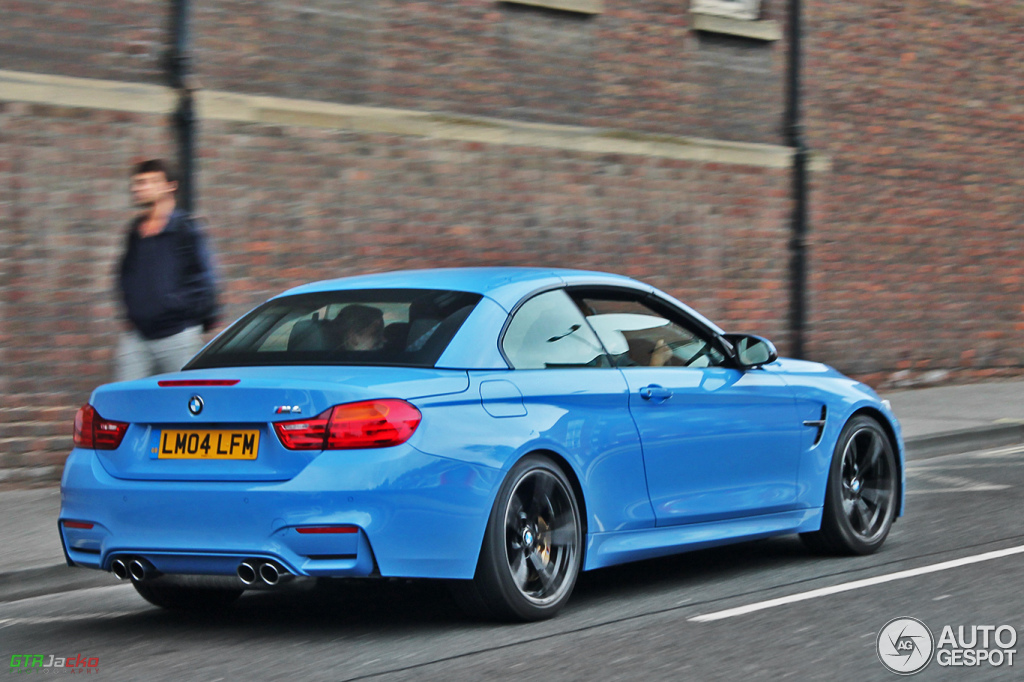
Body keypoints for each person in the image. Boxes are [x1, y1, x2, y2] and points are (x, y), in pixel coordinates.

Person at [115, 159, 220, 381]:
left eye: (150, 182)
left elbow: (205, 278)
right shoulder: (135, 232)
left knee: (182, 398)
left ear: (170, 186)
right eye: (138, 183)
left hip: (178, 336)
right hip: (139, 337)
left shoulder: (185, 229)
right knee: (125, 397)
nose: (141, 188)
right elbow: (126, 276)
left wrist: (190, 318)